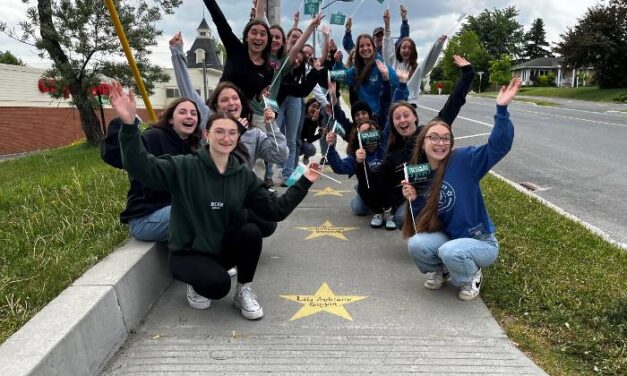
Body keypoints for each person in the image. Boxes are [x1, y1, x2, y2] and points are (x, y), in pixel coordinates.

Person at [109, 81, 322, 320]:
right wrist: (128, 126)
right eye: (219, 131)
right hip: (187, 252)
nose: (225, 138)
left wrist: (305, 181)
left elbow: (276, 210)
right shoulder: (185, 166)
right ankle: (194, 279)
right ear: (206, 135)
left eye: (232, 133)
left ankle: (244, 291)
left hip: (219, 248)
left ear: (237, 138)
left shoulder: (241, 175)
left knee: (251, 231)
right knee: (217, 287)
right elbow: (142, 167)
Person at [401, 77, 521, 301]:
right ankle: (443, 269)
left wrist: (502, 110)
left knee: (450, 251)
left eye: (446, 138)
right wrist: (415, 198)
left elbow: (499, 147)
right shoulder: (421, 173)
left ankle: (471, 276)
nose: (440, 143)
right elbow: (422, 223)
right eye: (434, 138)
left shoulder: (464, 160)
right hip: (449, 237)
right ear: (423, 142)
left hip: (480, 241)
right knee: (416, 244)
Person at [364, 55, 474, 229]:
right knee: (400, 216)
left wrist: (467, 74)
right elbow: (382, 179)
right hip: (408, 195)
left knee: (416, 214)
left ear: (414, 117)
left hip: (434, 189)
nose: (402, 120)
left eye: (406, 115)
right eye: (397, 118)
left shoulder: (427, 132)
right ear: (392, 123)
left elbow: (451, 107)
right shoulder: (391, 146)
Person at [100, 97, 202, 243]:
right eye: (183, 112)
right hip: (147, 217)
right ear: (171, 119)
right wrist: (126, 123)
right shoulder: (154, 136)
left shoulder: (191, 147)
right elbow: (119, 155)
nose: (189, 116)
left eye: (193, 113)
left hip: (172, 210)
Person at [326, 119, 389, 228]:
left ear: (378, 131)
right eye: (364, 132)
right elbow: (339, 167)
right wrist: (331, 147)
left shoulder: (386, 147)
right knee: (359, 209)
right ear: (358, 136)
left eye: (371, 130)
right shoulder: (356, 155)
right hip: (368, 189)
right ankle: (361, 190)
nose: (368, 134)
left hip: (387, 188)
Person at [382, 7, 446, 101]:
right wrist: (387, 25)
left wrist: (439, 45)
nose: (406, 50)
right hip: (392, 105)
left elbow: (430, 60)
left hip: (409, 106)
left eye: (410, 48)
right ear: (399, 50)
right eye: (404, 47)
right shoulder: (392, 62)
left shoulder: (417, 68)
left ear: (413, 52)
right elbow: (387, 45)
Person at [341, 35, 399, 118]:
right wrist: (336, 64)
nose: (365, 48)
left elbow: (397, 87)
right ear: (358, 50)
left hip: (383, 116)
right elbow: (338, 75)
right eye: (361, 46)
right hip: (365, 117)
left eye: (368, 45)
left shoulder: (382, 66)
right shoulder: (355, 70)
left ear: (374, 48)